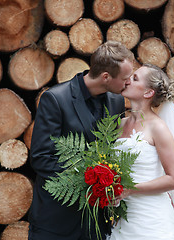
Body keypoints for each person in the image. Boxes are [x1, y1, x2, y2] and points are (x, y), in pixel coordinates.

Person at [28, 41, 134, 240]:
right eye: (125, 78)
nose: (128, 83)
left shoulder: (116, 101)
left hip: (96, 223)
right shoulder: (55, 99)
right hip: (56, 221)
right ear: (106, 77)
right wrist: (89, 178)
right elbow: (41, 158)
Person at [109, 64, 174, 240]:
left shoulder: (158, 128)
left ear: (148, 93)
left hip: (152, 222)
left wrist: (129, 190)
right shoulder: (120, 124)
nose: (128, 80)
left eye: (135, 78)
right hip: (124, 220)